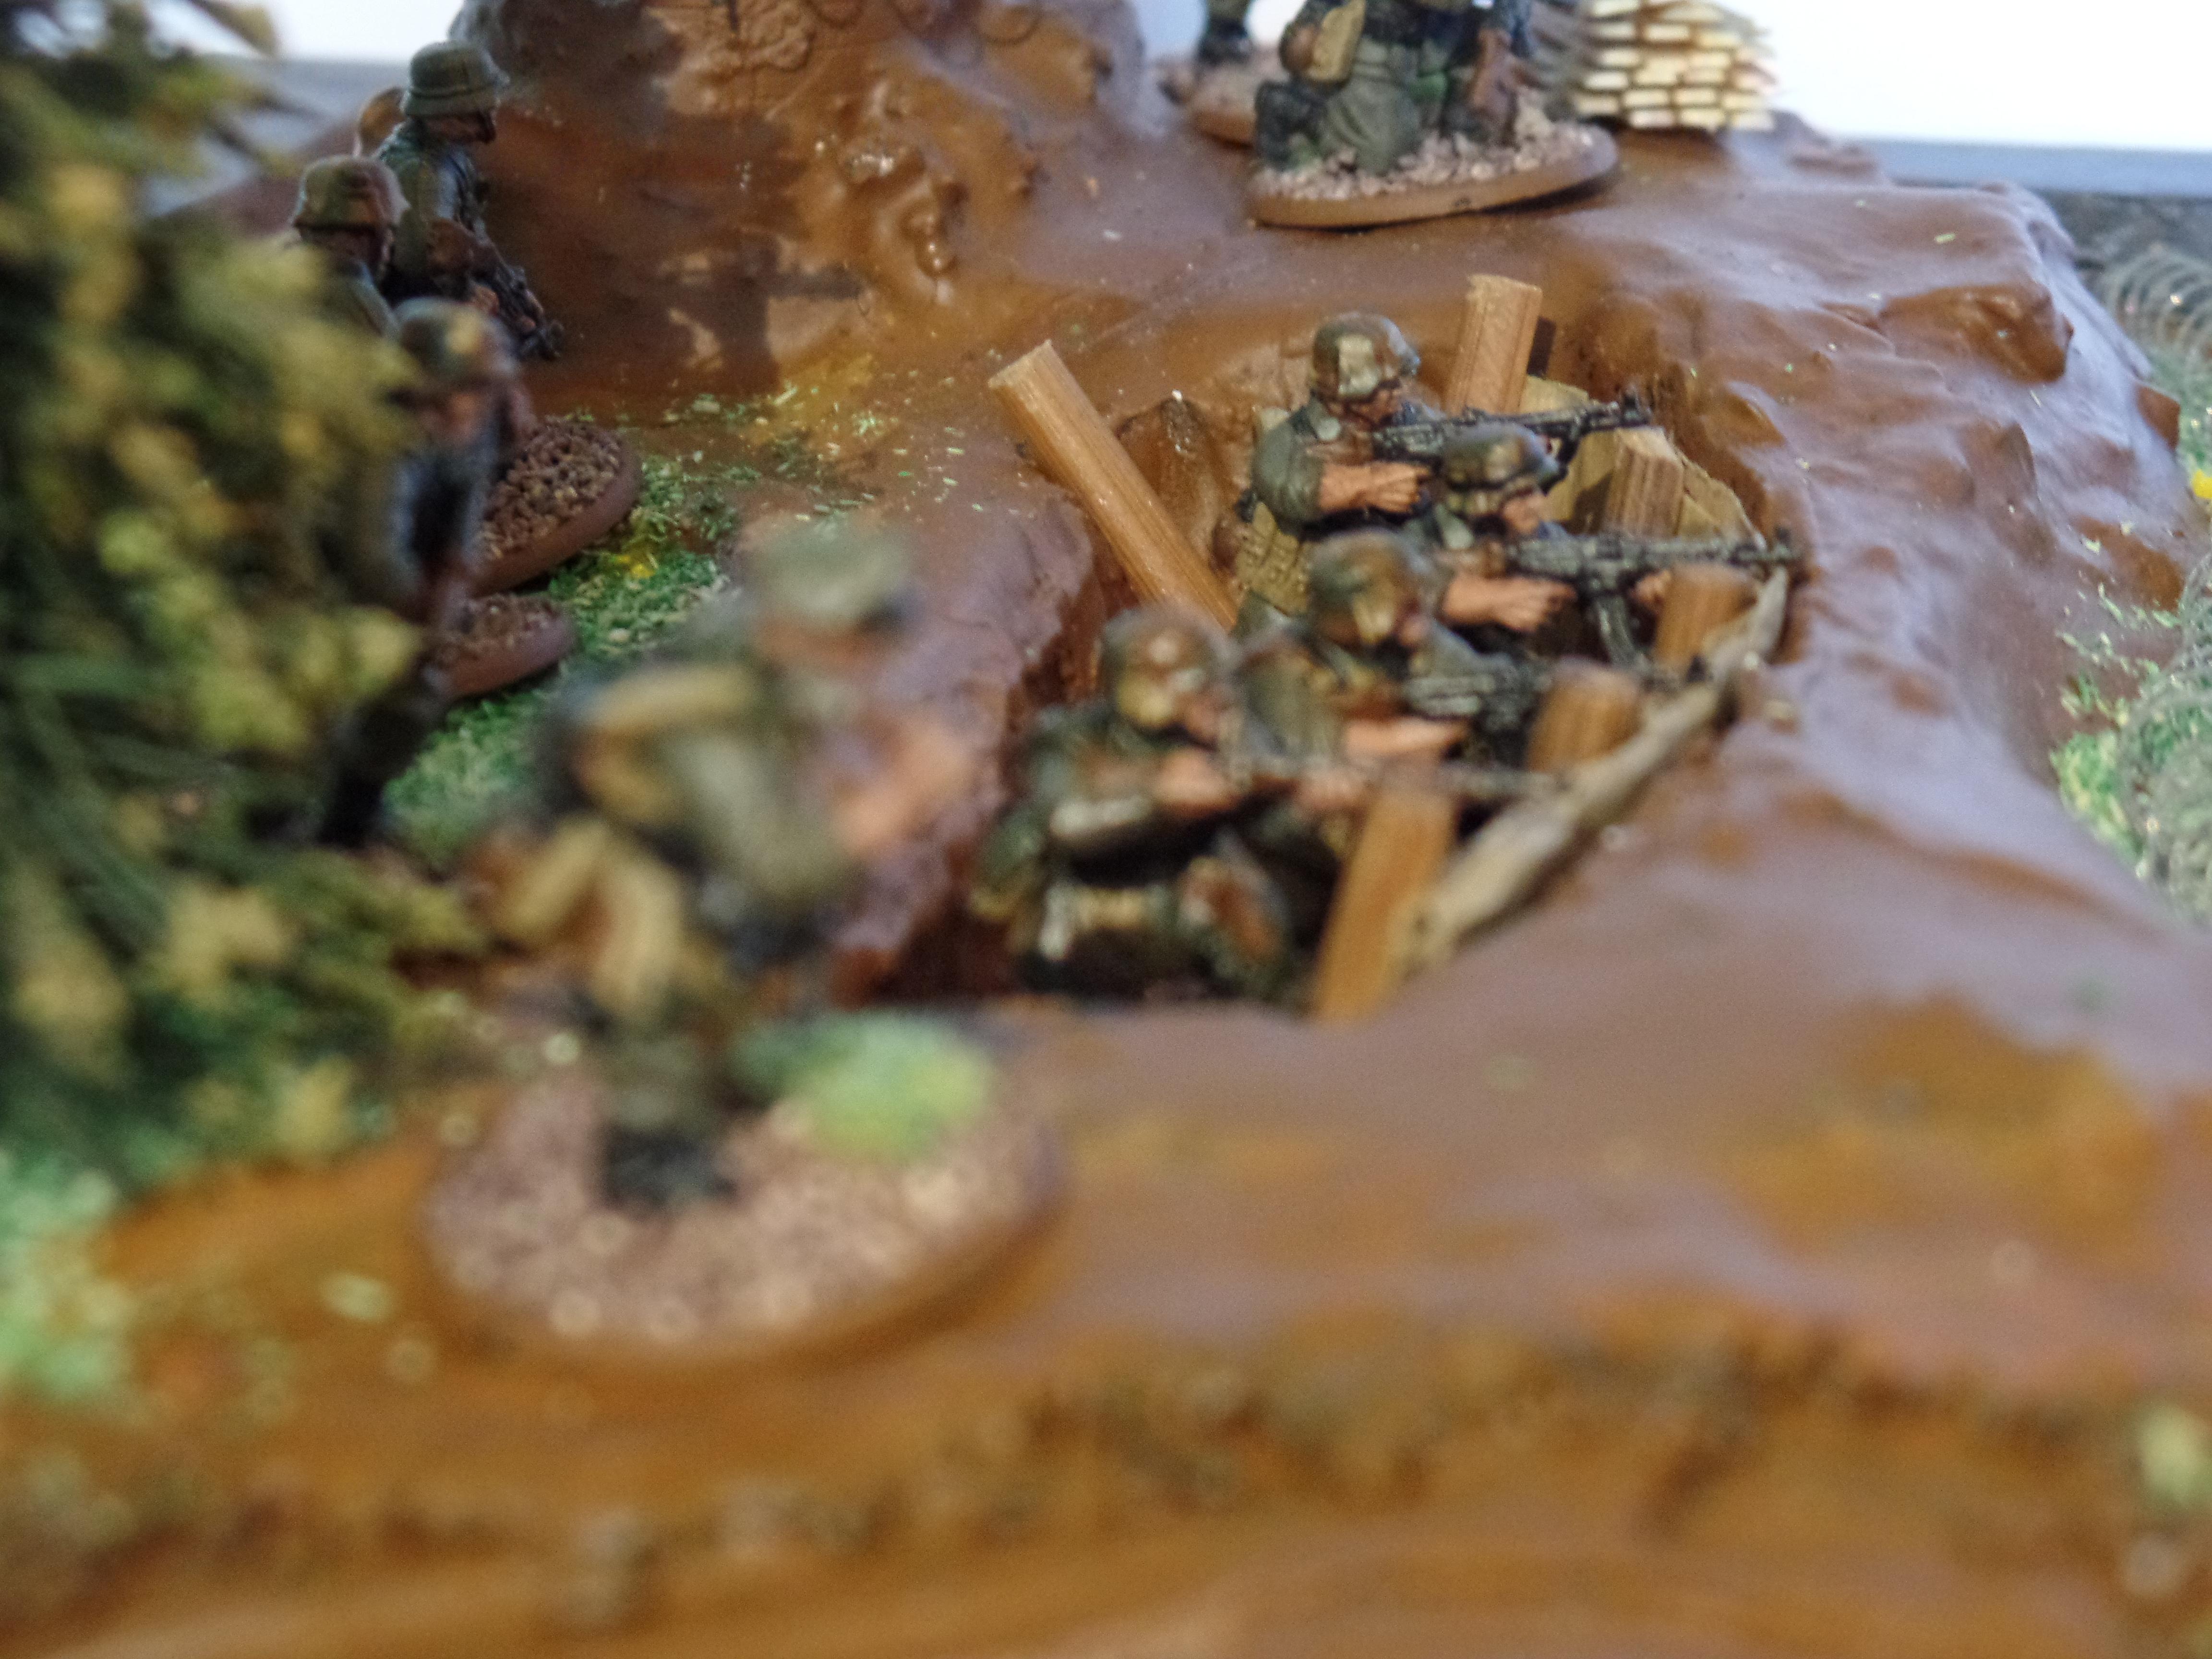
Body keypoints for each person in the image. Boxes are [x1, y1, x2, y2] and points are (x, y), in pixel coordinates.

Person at [487, 524, 975, 1209]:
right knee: (663, 1036)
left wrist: (874, 737)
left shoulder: (764, 670)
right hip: (651, 899)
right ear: (800, 632)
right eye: (856, 643)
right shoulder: (705, 726)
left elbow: (818, 728)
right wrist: (902, 798)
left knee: (767, 985)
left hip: (715, 885)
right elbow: (779, 869)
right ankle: (656, 1180)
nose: (868, 662)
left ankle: (757, 1089)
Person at [971, 606, 1332, 1003]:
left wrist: (1300, 788)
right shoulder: (1070, 738)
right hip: (1087, 902)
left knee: (1248, 901)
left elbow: (1264, 773)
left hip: (1177, 886)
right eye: (1198, 688)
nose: (1215, 698)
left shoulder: (1216, 732)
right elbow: (1064, 818)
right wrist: (1159, 796)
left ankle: (1281, 1007)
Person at [319, 301, 519, 849]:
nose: (477, 405)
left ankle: (352, 824)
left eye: (484, 390)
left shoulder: (469, 432)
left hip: (396, 599)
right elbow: (372, 555)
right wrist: (414, 611)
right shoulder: (382, 442)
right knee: (319, 718)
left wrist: (449, 588)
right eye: (466, 389)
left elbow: (463, 511)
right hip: (325, 590)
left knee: (411, 702)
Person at [1241, 529, 1549, 767]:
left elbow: (1475, 676)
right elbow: (1338, 746)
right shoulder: (1279, 664)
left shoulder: (1409, 645)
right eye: (1405, 608)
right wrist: (1439, 732)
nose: (1420, 618)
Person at [1241, 314, 1436, 621]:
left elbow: (1454, 445)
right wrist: (1372, 485)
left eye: (1402, 377)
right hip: (1293, 600)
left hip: (1378, 597)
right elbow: (1293, 487)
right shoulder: (1290, 438)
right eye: (1387, 385)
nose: (1401, 390)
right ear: (1351, 395)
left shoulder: (1410, 421)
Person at [376, 41, 562, 358]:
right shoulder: (426, 174)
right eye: (477, 116)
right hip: (412, 307)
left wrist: (509, 286)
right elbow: (420, 262)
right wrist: (465, 293)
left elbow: (469, 230)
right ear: (447, 116)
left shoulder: (446, 152)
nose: (487, 128)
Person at [1254, 0, 1515, 177]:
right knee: (1380, 156)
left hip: (1442, 34)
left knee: (1472, 115)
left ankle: (1448, 125)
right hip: (1380, 44)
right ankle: (1303, 114)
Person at [288, 156, 404, 337]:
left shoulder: (282, 282)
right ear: (362, 235)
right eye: (386, 233)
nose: (386, 253)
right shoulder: (355, 295)